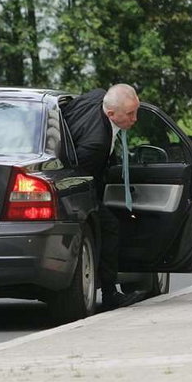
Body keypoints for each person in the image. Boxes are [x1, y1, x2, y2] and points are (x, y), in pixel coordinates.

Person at [62, 83, 144, 310]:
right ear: (110, 113)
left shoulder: (98, 96)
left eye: (135, 111)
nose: (135, 119)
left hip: (84, 166)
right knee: (109, 227)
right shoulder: (96, 144)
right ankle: (110, 294)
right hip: (77, 186)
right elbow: (83, 179)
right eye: (130, 114)